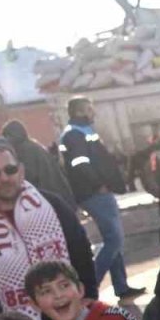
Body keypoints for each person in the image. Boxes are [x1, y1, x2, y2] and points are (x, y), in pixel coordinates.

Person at [0, 141, 98, 318]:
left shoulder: (52, 204)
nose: (4, 178)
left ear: (21, 171)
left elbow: (80, 248)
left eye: (10, 170)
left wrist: (89, 294)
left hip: (70, 312)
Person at [58, 96, 144, 300]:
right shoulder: (74, 135)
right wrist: (99, 184)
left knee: (113, 239)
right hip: (94, 194)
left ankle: (121, 287)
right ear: (79, 112)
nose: (93, 112)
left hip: (97, 192)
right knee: (114, 239)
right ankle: (89, 287)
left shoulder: (80, 131)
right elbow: (80, 164)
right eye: (89, 108)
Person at [0, 120, 70, 197]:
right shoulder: (35, 147)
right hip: (61, 196)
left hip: (48, 200)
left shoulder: (22, 152)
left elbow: (27, 181)